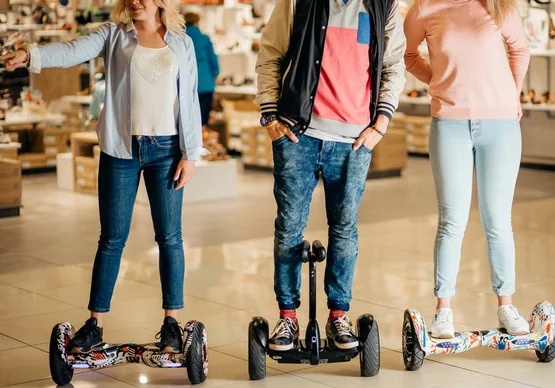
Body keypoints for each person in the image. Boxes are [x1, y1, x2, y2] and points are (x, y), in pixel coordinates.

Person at [0, 0, 207, 352]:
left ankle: (172, 322)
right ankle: (95, 323)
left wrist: (192, 153)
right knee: (111, 239)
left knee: (170, 237)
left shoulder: (181, 42)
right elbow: (70, 50)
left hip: (168, 151)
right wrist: (28, 55)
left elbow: (188, 99)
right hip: (120, 150)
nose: (134, 2)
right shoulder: (113, 36)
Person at [256, 0, 406, 351]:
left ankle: (339, 314)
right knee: (289, 226)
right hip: (298, 135)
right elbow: (271, 53)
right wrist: (269, 115)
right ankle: (287, 317)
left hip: (354, 141)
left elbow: (393, 65)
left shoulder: (384, 5)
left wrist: (381, 122)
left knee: (344, 227)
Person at [403, 0, 531, 337]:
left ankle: (506, 306)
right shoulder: (423, 8)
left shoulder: (499, 4)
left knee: (498, 221)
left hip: (501, 125)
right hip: (450, 124)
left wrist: (513, 95)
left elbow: (520, 49)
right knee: (451, 220)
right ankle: (443, 310)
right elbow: (408, 54)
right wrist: (439, 81)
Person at [184, 12, 219, 127]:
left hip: (187, 84)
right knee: (203, 119)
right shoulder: (204, 39)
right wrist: (216, 74)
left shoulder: (180, 39)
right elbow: (213, 60)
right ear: (197, 22)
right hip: (206, 83)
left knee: (189, 119)